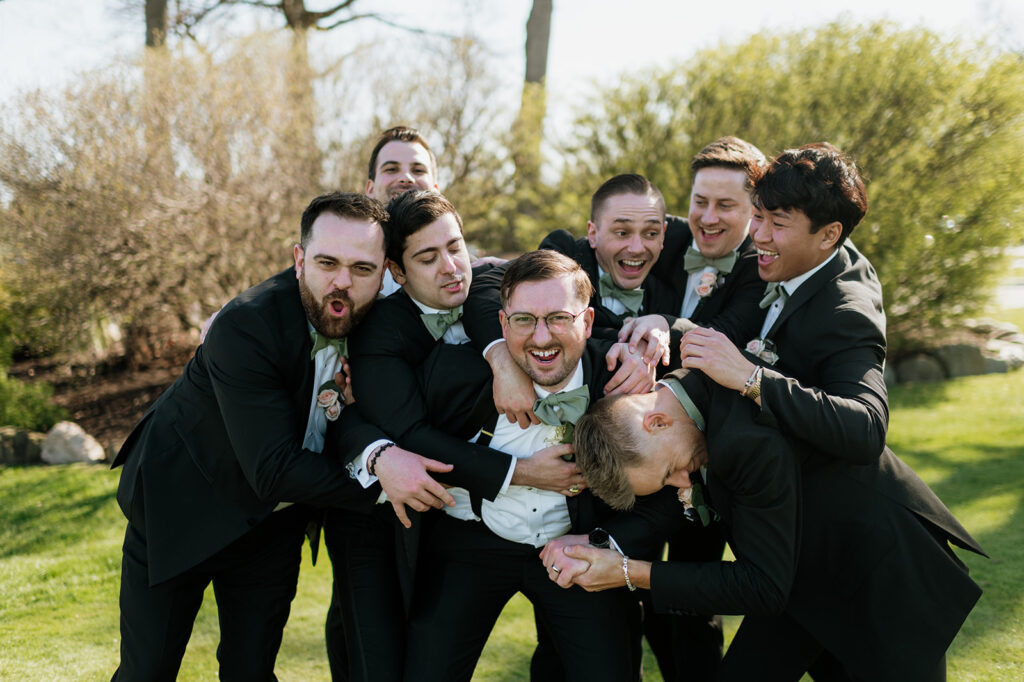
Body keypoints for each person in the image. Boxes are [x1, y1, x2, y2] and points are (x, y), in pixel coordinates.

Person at [108, 192, 451, 680]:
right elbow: (273, 468)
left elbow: (470, 291)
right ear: (298, 259)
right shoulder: (245, 325)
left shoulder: (379, 321)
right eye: (326, 262)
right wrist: (383, 475)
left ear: (386, 274)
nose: (341, 282)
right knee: (148, 671)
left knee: (252, 671)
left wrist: (502, 351)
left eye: (361, 269)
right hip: (180, 502)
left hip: (273, 524)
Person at [555, 368, 984, 682]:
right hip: (803, 576)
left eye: (670, 471)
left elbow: (763, 587)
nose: (682, 483)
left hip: (884, 576)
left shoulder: (744, 443)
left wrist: (629, 573)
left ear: (658, 421)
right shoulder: (692, 394)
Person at [322, 191, 588, 681]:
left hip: (561, 533)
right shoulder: (379, 333)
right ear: (397, 273)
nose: (451, 267)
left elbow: (503, 289)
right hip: (436, 522)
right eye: (428, 257)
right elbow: (411, 433)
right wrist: (524, 474)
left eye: (455, 246)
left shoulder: (490, 280)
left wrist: (500, 356)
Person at [400, 250, 651, 681]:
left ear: (587, 323)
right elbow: (407, 433)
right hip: (472, 542)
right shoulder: (453, 371)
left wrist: (604, 542)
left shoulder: (624, 380)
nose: (540, 338)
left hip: (577, 545)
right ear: (501, 324)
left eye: (558, 318)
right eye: (524, 320)